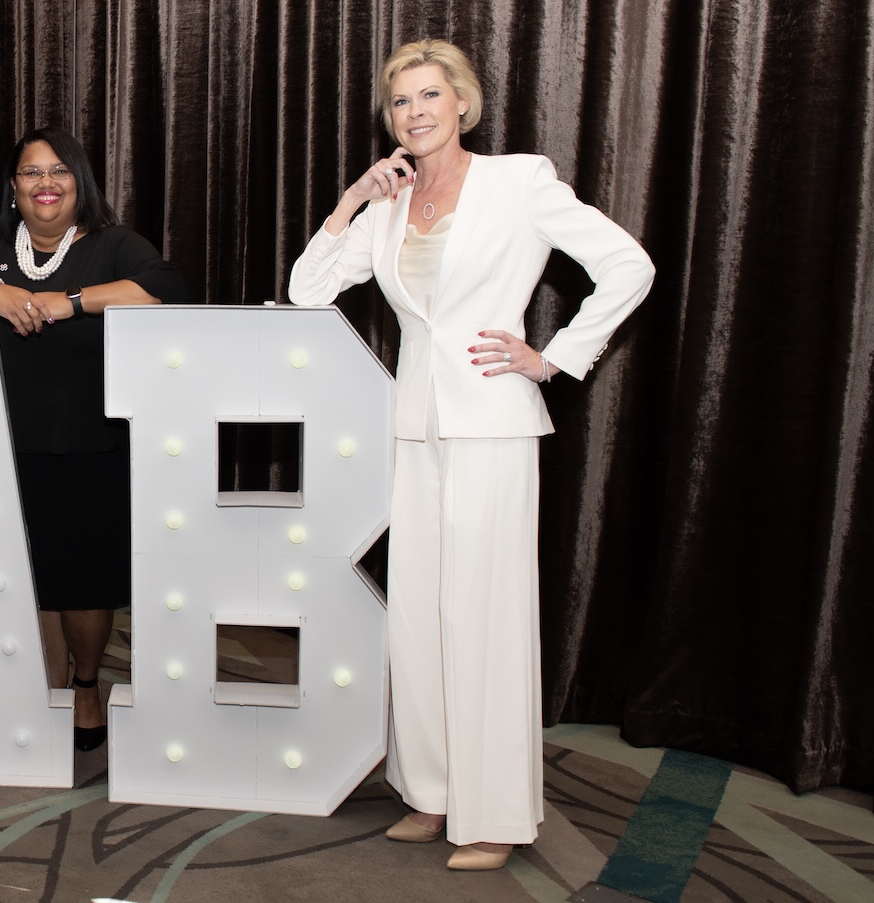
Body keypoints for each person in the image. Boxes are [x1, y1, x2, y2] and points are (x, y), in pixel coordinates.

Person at [288, 40, 654, 870]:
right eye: (401, 102)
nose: (415, 113)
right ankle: (434, 790)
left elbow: (629, 265)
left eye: (429, 95)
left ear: (462, 103)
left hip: (492, 422)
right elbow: (309, 291)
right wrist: (352, 199)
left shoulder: (518, 182)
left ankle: (495, 812)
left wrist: (555, 358)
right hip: (413, 427)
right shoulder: (392, 201)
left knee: (484, 618)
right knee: (418, 616)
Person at [0, 127, 188, 752]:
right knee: (28, 574)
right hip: (5, 441)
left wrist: (71, 301)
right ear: (14, 187)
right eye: (31, 172)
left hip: (92, 441)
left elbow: (162, 289)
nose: (45, 183)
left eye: (59, 171)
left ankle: (86, 686)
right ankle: (48, 686)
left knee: (85, 581)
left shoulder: (112, 244)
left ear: (79, 182)